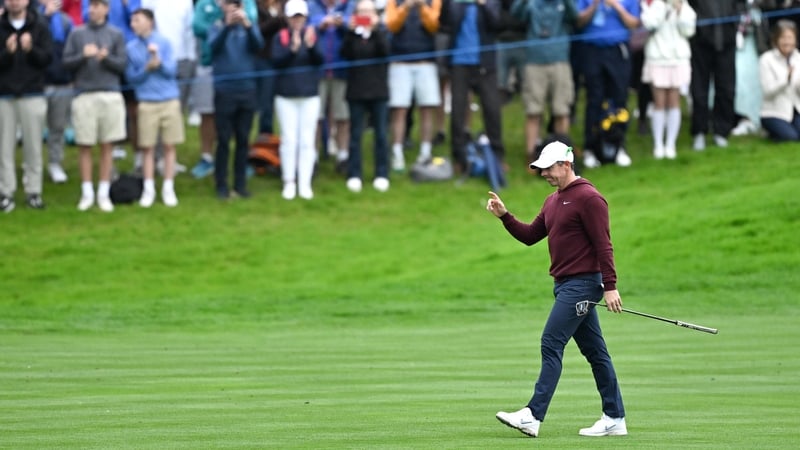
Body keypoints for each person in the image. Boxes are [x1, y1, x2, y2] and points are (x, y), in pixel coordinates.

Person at [486, 140, 627, 438]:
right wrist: (504, 216)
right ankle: (614, 417)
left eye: (548, 168)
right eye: (540, 169)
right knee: (596, 352)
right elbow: (529, 235)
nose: (543, 174)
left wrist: (610, 286)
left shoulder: (590, 198)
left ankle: (533, 415)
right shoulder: (553, 201)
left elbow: (604, 245)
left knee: (551, 342)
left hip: (583, 285)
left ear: (565, 164)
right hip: (564, 286)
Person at [63, 0, 127, 212]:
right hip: (84, 95)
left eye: (98, 5)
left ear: (106, 9)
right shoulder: (77, 33)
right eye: (90, 5)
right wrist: (84, 56)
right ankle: (87, 191)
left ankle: (104, 192)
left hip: (110, 94)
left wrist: (106, 58)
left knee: (108, 145)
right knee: (85, 145)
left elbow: (122, 66)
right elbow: (66, 63)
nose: (92, 9)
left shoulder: (115, 34)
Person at [190, 0, 257, 179]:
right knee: (207, 112)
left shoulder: (246, 2)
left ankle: (240, 161)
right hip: (208, 62)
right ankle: (206, 157)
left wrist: (241, 20)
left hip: (239, 68)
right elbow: (197, 27)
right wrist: (221, 23)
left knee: (239, 119)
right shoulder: (204, 4)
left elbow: (252, 18)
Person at [126, 7, 184, 207]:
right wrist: (146, 69)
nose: (133, 24)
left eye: (137, 20)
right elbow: (131, 78)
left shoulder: (164, 42)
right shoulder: (131, 48)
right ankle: (148, 189)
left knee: (169, 146)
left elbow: (172, 72)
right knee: (147, 148)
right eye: (132, 21)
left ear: (149, 22)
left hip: (169, 100)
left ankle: (169, 188)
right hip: (147, 102)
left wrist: (158, 63)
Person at [440, 0, 506, 174]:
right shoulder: (454, 3)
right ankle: (459, 158)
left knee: (492, 108)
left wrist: (483, 5)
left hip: (485, 62)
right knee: (458, 110)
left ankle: (497, 156)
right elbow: (444, 22)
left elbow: (497, 24)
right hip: (459, 63)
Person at [0, 0, 53, 212]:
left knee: (33, 147)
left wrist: (30, 50)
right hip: (4, 96)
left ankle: (34, 192)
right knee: (4, 148)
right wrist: (8, 53)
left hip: (32, 93)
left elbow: (47, 59)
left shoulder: (39, 25)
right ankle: (6, 192)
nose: (14, 2)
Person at [208, 0, 264, 199]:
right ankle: (221, 183)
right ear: (223, 7)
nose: (233, 9)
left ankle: (240, 184)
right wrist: (227, 27)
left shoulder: (249, 26)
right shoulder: (216, 27)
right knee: (223, 140)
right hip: (224, 91)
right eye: (230, 5)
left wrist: (248, 25)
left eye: (237, 5)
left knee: (243, 139)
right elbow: (212, 48)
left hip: (247, 89)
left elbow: (259, 46)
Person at [511, 0, 578, 163]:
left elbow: (575, 17)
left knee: (561, 111)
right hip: (534, 62)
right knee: (533, 112)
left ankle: (562, 158)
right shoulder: (532, 4)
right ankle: (531, 157)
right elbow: (515, 14)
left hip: (560, 60)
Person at [576, 0, 640, 168]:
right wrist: (595, 5)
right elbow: (579, 22)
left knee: (620, 98)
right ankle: (591, 147)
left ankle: (619, 146)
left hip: (618, 50)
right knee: (594, 99)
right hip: (592, 50)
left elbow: (633, 23)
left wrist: (616, 6)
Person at [272, 0, 323, 200]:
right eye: (294, 17)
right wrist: (292, 50)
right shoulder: (281, 37)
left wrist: (310, 48)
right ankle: (289, 181)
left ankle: (305, 182)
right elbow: (277, 62)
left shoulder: (311, 35)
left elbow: (320, 61)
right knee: (289, 140)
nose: (297, 21)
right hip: (286, 96)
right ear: (288, 18)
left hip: (309, 96)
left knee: (306, 141)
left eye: (300, 17)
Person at [385, 0, 442, 171]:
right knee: (399, 110)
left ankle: (425, 152)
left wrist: (422, 7)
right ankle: (397, 153)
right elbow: (391, 25)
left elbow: (434, 25)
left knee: (426, 109)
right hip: (400, 62)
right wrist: (406, 7)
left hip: (426, 61)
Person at [339, 0, 390, 193]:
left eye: (369, 11)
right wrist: (351, 32)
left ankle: (382, 174)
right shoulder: (352, 35)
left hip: (378, 91)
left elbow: (385, 51)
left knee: (381, 135)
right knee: (356, 135)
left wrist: (375, 29)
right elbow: (345, 53)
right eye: (362, 12)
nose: (365, 15)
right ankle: (354, 174)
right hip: (357, 91)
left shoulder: (381, 32)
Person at [640, 0, 696, 160]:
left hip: (678, 59)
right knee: (659, 102)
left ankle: (670, 144)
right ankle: (658, 144)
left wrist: (679, 10)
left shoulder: (683, 5)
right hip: (657, 58)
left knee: (674, 101)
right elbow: (649, 24)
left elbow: (689, 30)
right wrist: (661, 8)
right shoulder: (652, 4)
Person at [687, 0, 738, 151]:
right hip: (701, 42)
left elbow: (740, 5)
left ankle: (721, 132)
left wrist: (734, 23)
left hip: (727, 40)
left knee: (726, 88)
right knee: (699, 90)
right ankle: (699, 132)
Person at [309, 0, 353, 171]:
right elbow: (304, 25)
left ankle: (343, 156)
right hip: (317, 70)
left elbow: (357, 23)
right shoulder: (311, 5)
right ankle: (312, 157)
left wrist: (343, 24)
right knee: (316, 117)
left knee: (343, 116)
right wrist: (320, 24)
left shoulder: (349, 5)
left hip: (341, 69)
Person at [40, 0, 74, 184]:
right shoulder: (34, 19)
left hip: (62, 83)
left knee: (58, 127)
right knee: (34, 128)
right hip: (38, 84)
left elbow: (72, 49)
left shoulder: (66, 21)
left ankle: (55, 163)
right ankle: (34, 165)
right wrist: (45, 17)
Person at [759, 19, 800, 141]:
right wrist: (786, 78)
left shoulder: (798, 57)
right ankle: (770, 131)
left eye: (790, 38)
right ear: (776, 39)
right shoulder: (766, 60)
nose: (787, 42)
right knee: (790, 137)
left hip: (795, 109)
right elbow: (768, 92)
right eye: (783, 38)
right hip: (773, 112)